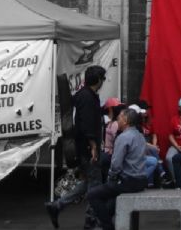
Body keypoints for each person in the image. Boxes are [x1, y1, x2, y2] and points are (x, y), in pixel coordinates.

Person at [46, 65, 107, 229]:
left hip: (83, 148)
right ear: (99, 80)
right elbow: (87, 124)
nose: (104, 82)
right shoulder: (87, 97)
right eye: (103, 78)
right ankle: (91, 220)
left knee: (88, 182)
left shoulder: (84, 95)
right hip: (87, 149)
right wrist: (93, 145)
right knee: (96, 184)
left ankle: (58, 205)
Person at [87, 108, 149, 230]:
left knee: (92, 194)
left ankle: (107, 226)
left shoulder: (123, 137)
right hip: (141, 181)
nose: (117, 119)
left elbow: (115, 165)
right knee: (111, 200)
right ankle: (102, 224)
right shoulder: (140, 136)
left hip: (128, 182)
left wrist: (111, 178)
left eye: (119, 117)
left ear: (125, 120)